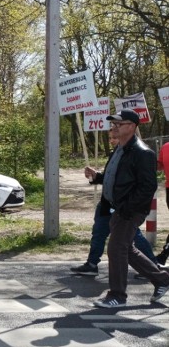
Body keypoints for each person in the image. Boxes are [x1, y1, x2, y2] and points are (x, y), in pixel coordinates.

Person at [85, 109, 169, 308]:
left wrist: (127, 209)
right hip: (117, 209)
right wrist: (96, 177)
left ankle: (117, 296)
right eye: (113, 124)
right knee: (127, 249)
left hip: (129, 211)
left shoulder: (143, 153)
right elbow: (114, 177)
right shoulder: (119, 149)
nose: (113, 127)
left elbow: (147, 187)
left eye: (118, 124)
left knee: (115, 248)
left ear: (131, 126)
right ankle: (162, 279)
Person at [71, 133, 158, 275]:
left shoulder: (138, 154)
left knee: (132, 238)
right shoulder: (115, 154)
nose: (111, 140)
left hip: (122, 207)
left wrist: (130, 207)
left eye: (115, 137)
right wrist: (96, 176)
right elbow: (110, 178)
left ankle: (153, 268)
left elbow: (145, 185)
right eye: (110, 137)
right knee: (98, 233)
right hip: (106, 204)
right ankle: (92, 264)